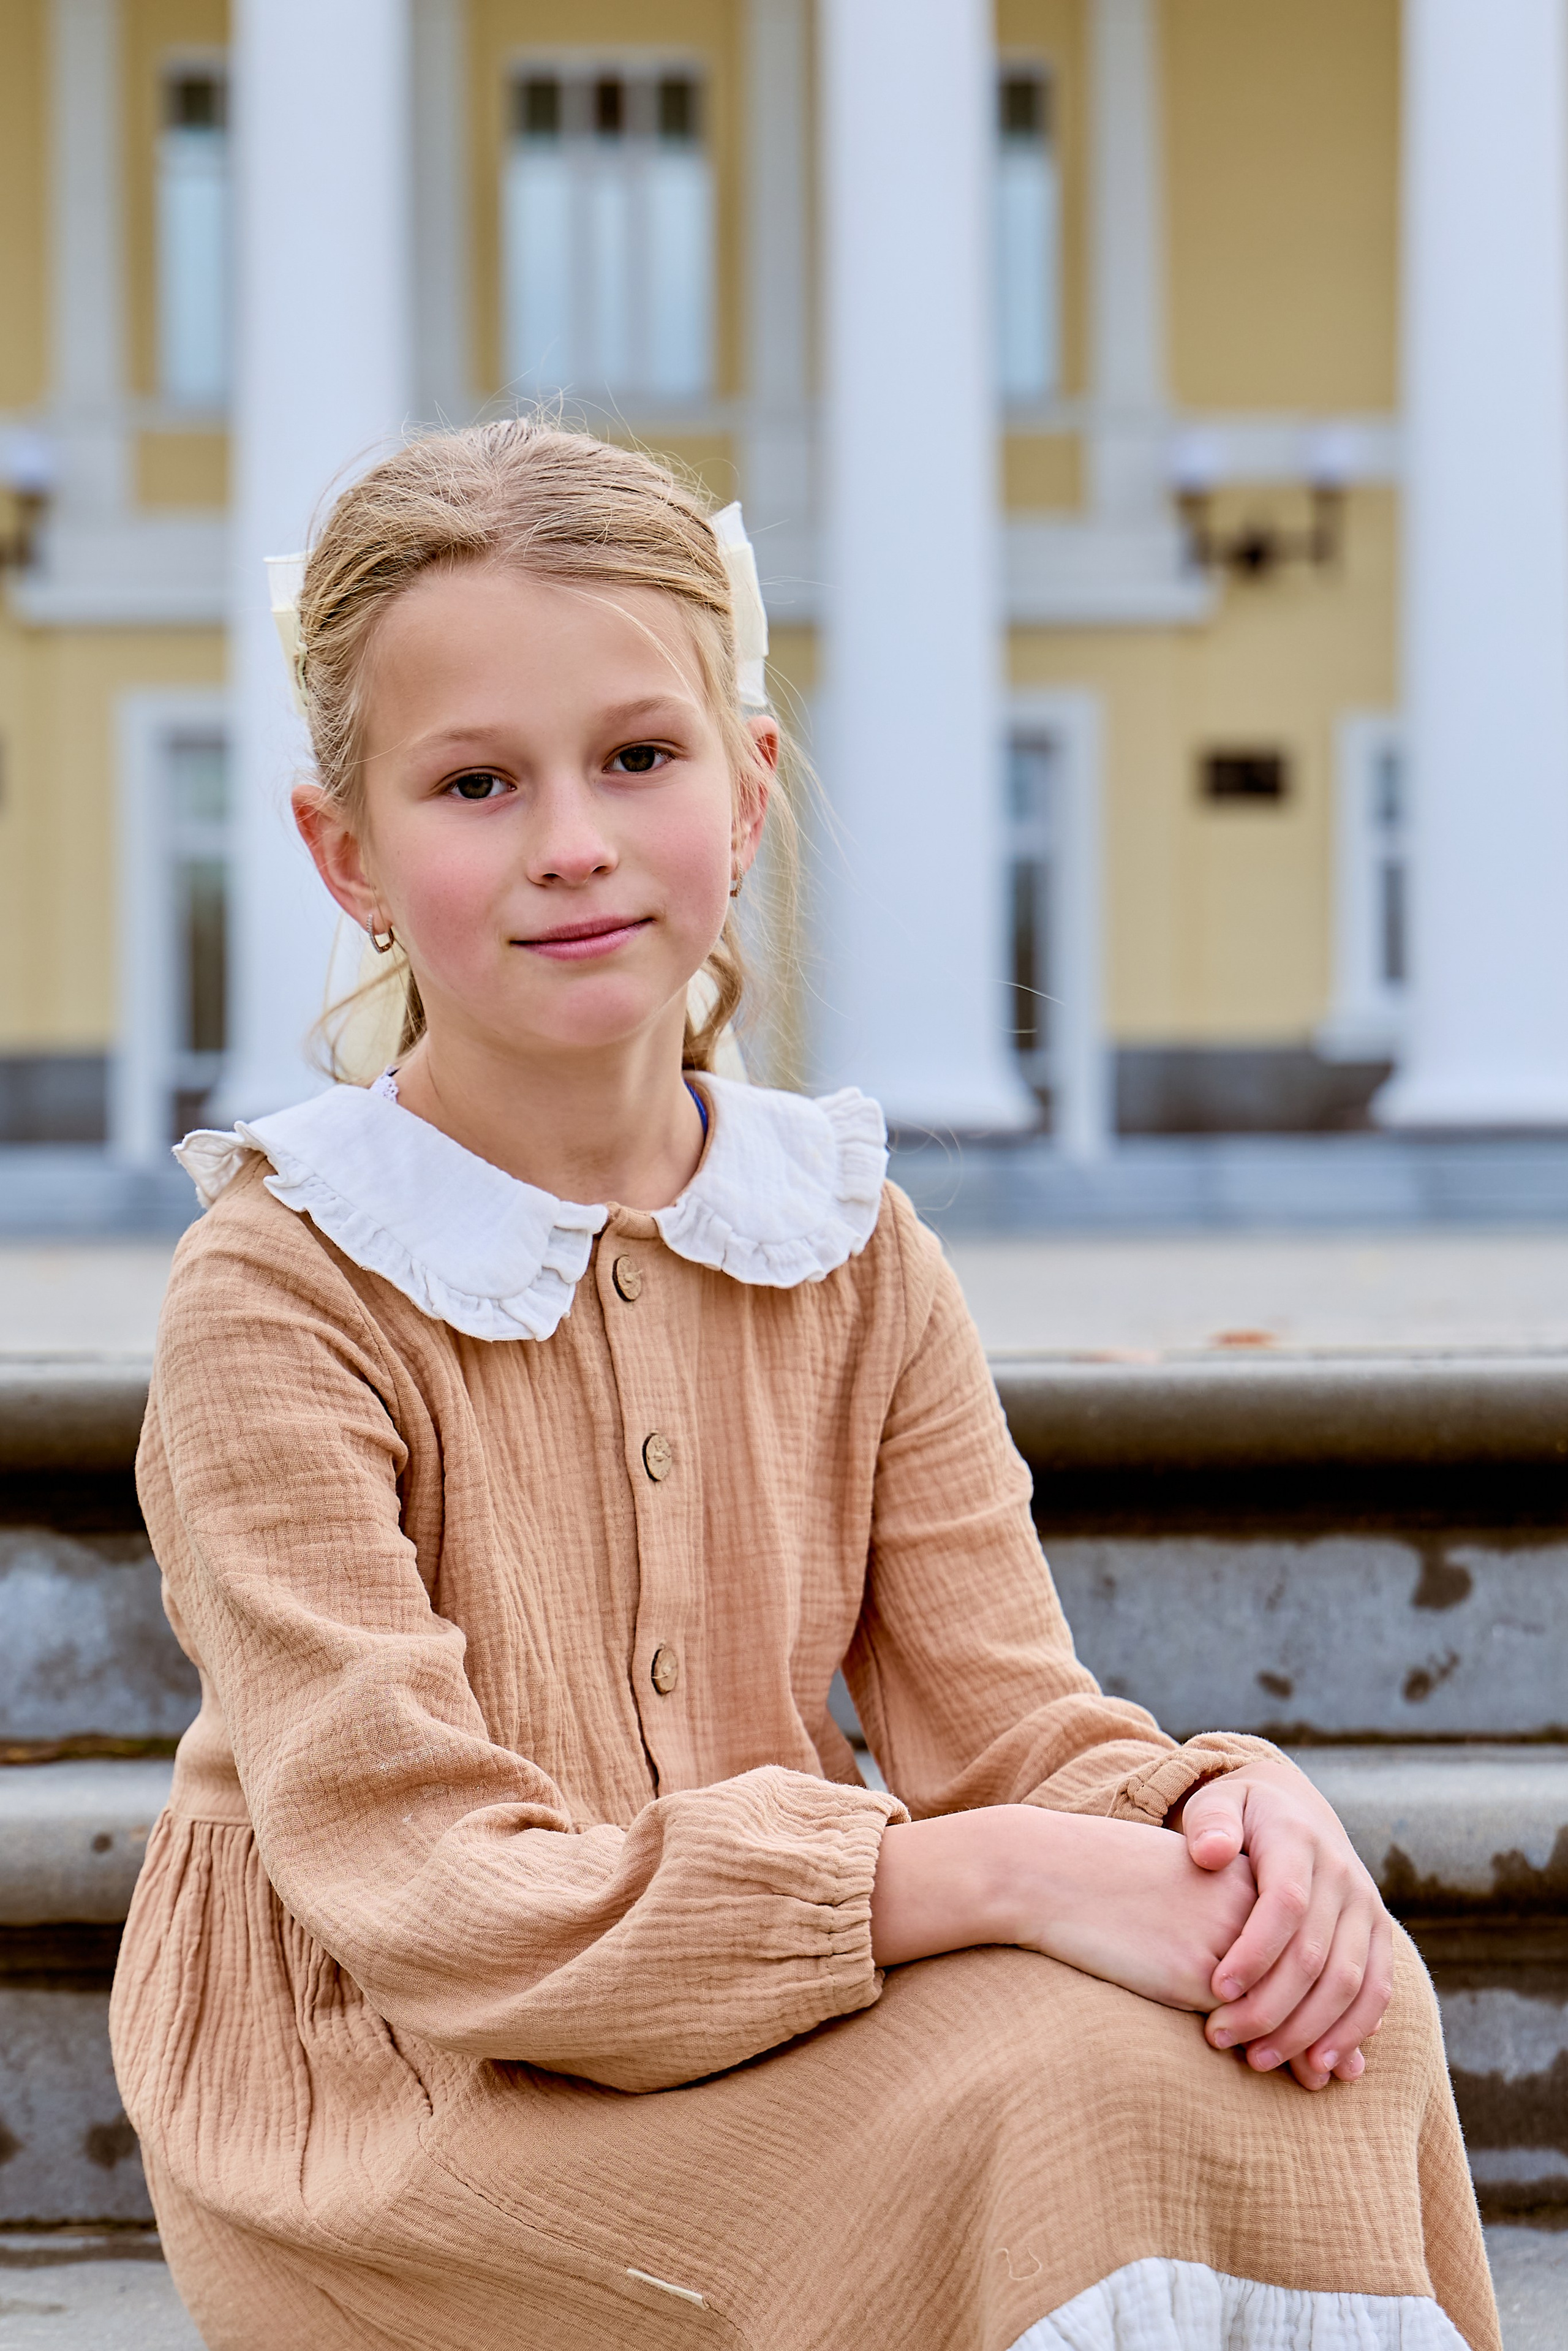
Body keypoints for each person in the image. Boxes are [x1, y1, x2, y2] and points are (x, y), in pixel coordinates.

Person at [111, 420, 1497, 2351]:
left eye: (639, 758)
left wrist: (1219, 1826)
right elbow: (431, 1899)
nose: (574, 840)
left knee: (1325, 2020)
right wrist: (1002, 1877)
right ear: (345, 851)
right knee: (1072, 2091)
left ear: (746, 793)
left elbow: (1011, 1717)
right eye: (478, 783)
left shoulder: (841, 1240)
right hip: (413, 2092)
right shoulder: (281, 1286)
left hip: (777, 2000)